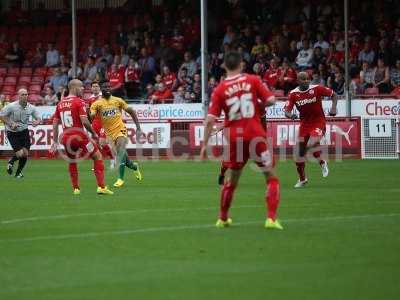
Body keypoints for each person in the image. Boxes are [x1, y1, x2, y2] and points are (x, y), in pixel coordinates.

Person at [200, 50, 282, 230]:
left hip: (235, 139)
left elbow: (210, 120)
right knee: (271, 177)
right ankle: (271, 218)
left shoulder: (219, 89)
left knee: (232, 181)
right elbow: (271, 100)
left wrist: (205, 145)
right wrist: (256, 105)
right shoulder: (252, 80)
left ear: (224, 66)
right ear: (242, 64)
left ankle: (222, 218)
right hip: (255, 134)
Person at [51, 79, 113, 195]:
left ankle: (76, 189)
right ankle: (101, 187)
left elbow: (55, 123)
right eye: (81, 87)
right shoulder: (79, 102)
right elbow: (84, 121)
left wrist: (54, 141)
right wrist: (94, 133)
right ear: (74, 88)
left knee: (72, 161)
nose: (83, 89)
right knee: (98, 156)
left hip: (66, 139)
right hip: (80, 137)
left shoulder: (60, 103)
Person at [284, 72, 338, 188]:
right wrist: (290, 115)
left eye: (308, 79)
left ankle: (322, 162)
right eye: (303, 79)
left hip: (318, 122)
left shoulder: (317, 89)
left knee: (311, 143)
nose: (307, 81)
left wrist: (333, 108)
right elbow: (287, 110)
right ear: (298, 81)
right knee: (298, 155)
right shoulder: (293, 94)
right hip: (304, 125)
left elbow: (334, 95)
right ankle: (302, 180)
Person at [90, 82, 143, 188]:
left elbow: (131, 111)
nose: (107, 88)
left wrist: (138, 128)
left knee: (120, 152)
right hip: (108, 133)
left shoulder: (118, 100)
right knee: (124, 158)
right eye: (105, 87)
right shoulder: (97, 104)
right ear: (102, 89)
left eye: (109, 86)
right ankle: (134, 166)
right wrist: (91, 115)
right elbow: (91, 116)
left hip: (120, 130)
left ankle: (120, 179)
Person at [0, 89, 41, 178]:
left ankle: (18, 173)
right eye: (23, 94)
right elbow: (2, 115)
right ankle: (11, 161)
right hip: (12, 132)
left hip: (24, 132)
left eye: (26, 94)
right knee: (20, 154)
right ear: (18, 96)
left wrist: (37, 122)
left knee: (25, 153)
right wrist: (11, 123)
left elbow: (38, 118)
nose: (25, 96)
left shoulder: (31, 107)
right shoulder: (11, 106)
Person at [87, 82, 116, 169]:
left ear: (99, 88)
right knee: (91, 144)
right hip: (95, 123)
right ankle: (97, 163)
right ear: (91, 88)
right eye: (93, 86)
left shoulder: (104, 96)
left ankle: (113, 159)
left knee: (102, 143)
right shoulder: (90, 99)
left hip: (104, 122)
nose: (95, 88)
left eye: (97, 86)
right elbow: (89, 113)